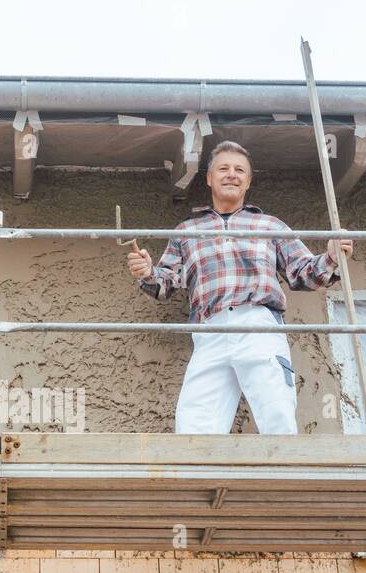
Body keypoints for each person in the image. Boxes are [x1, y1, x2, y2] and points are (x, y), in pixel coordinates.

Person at [127, 140, 353, 434]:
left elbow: (303, 273)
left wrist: (332, 257)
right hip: (210, 330)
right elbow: (166, 282)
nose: (231, 174)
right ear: (209, 178)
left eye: (239, 170)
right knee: (194, 427)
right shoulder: (186, 231)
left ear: (248, 181)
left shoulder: (269, 225)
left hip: (258, 324)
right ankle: (203, 481)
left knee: (277, 415)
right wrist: (147, 272)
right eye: (223, 168)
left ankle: (284, 479)